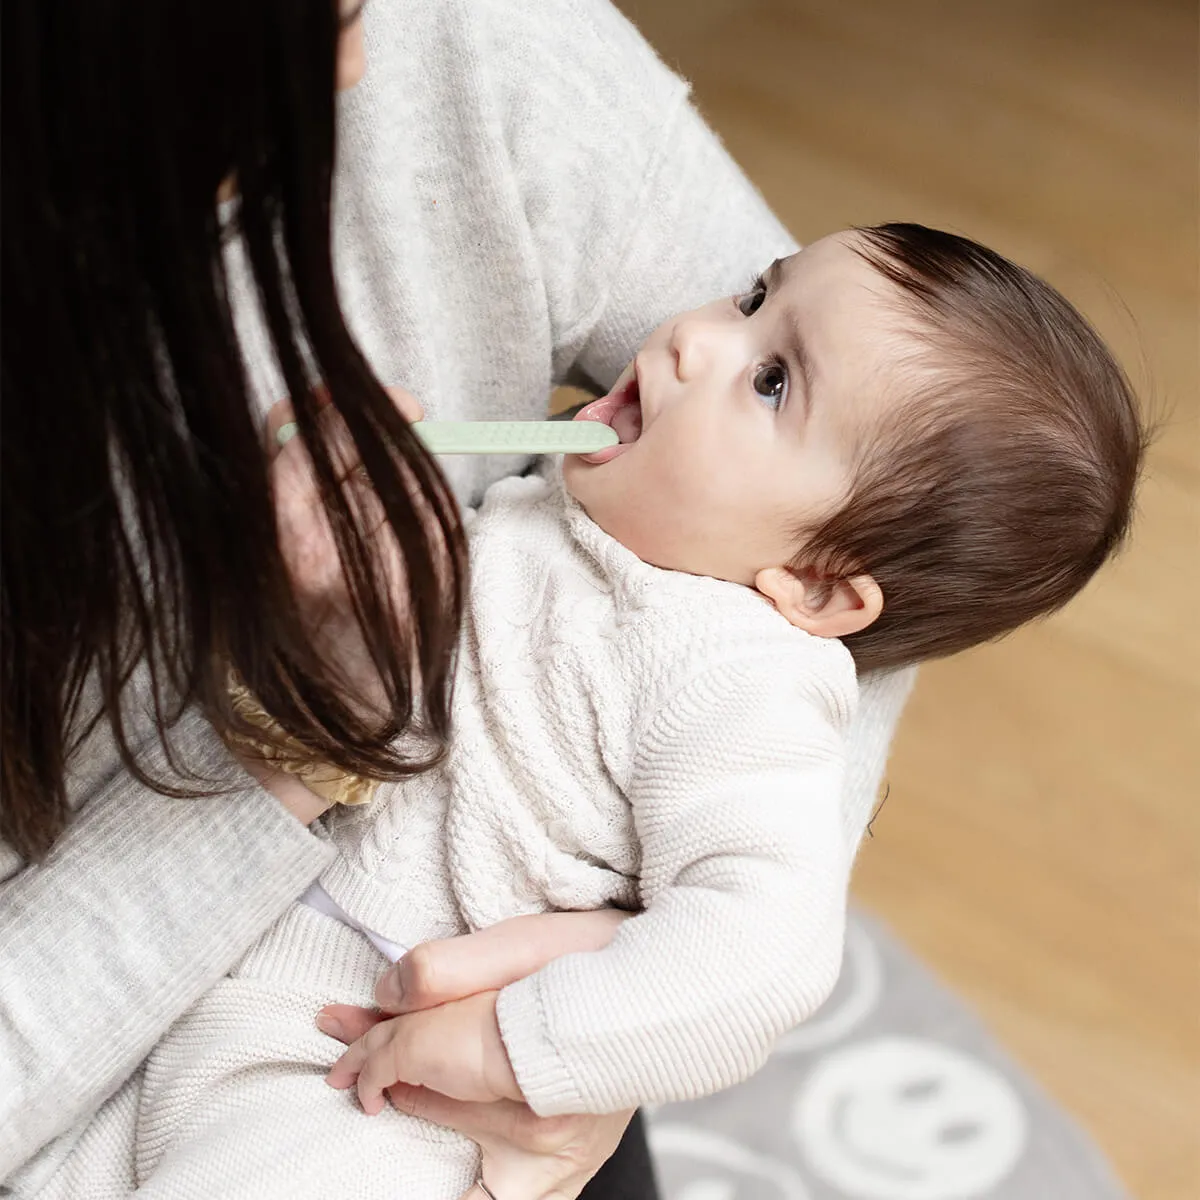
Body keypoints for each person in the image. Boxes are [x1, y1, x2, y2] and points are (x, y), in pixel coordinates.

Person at [1, 1, 917, 1196]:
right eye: (320, 11)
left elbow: (898, 477)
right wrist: (314, 713)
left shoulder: (735, 652)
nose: (366, 57)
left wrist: (587, 1023)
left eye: (766, 359)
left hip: (376, 1079)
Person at [37, 224, 1141, 1199]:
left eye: (769, 383)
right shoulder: (582, 515)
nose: (690, 340)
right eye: (754, 296)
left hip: (367, 1078)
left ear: (814, 589)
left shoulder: (736, 668)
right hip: (221, 982)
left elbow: (764, 952)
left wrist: (517, 1046)